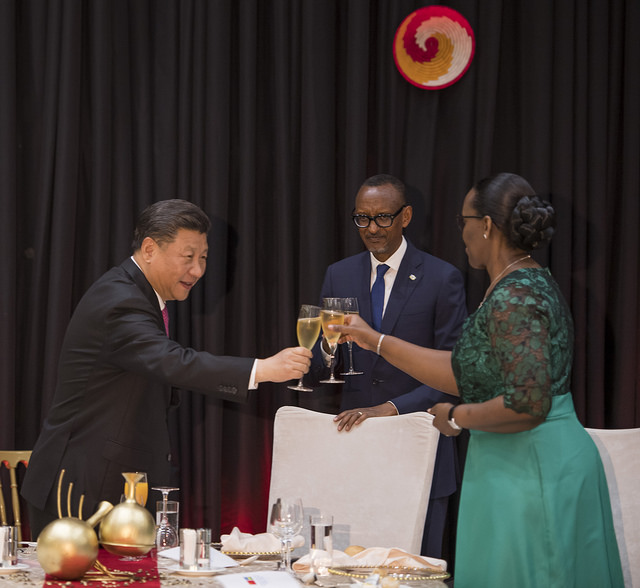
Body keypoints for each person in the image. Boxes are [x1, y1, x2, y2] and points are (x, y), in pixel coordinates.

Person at [329, 173, 623, 587]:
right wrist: (372, 339)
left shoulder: (516, 296)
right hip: (512, 463)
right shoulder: (515, 283)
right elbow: (461, 369)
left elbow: (527, 404)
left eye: (463, 220)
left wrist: (457, 414)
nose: (461, 231)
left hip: (535, 467)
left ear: (485, 225)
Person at [22, 199, 311, 538]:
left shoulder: (137, 293)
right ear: (149, 249)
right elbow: (172, 361)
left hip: (107, 480)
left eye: (203, 258)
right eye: (188, 257)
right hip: (83, 486)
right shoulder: (121, 300)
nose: (198, 270)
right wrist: (262, 369)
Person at [309, 174, 468, 557]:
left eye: (382, 218)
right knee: (353, 565)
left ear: (406, 216)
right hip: (357, 448)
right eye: (362, 218)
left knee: (416, 568)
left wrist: (390, 409)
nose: (372, 228)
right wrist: (323, 352)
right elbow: (322, 360)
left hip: (421, 442)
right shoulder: (339, 273)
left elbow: (455, 373)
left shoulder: (442, 277)